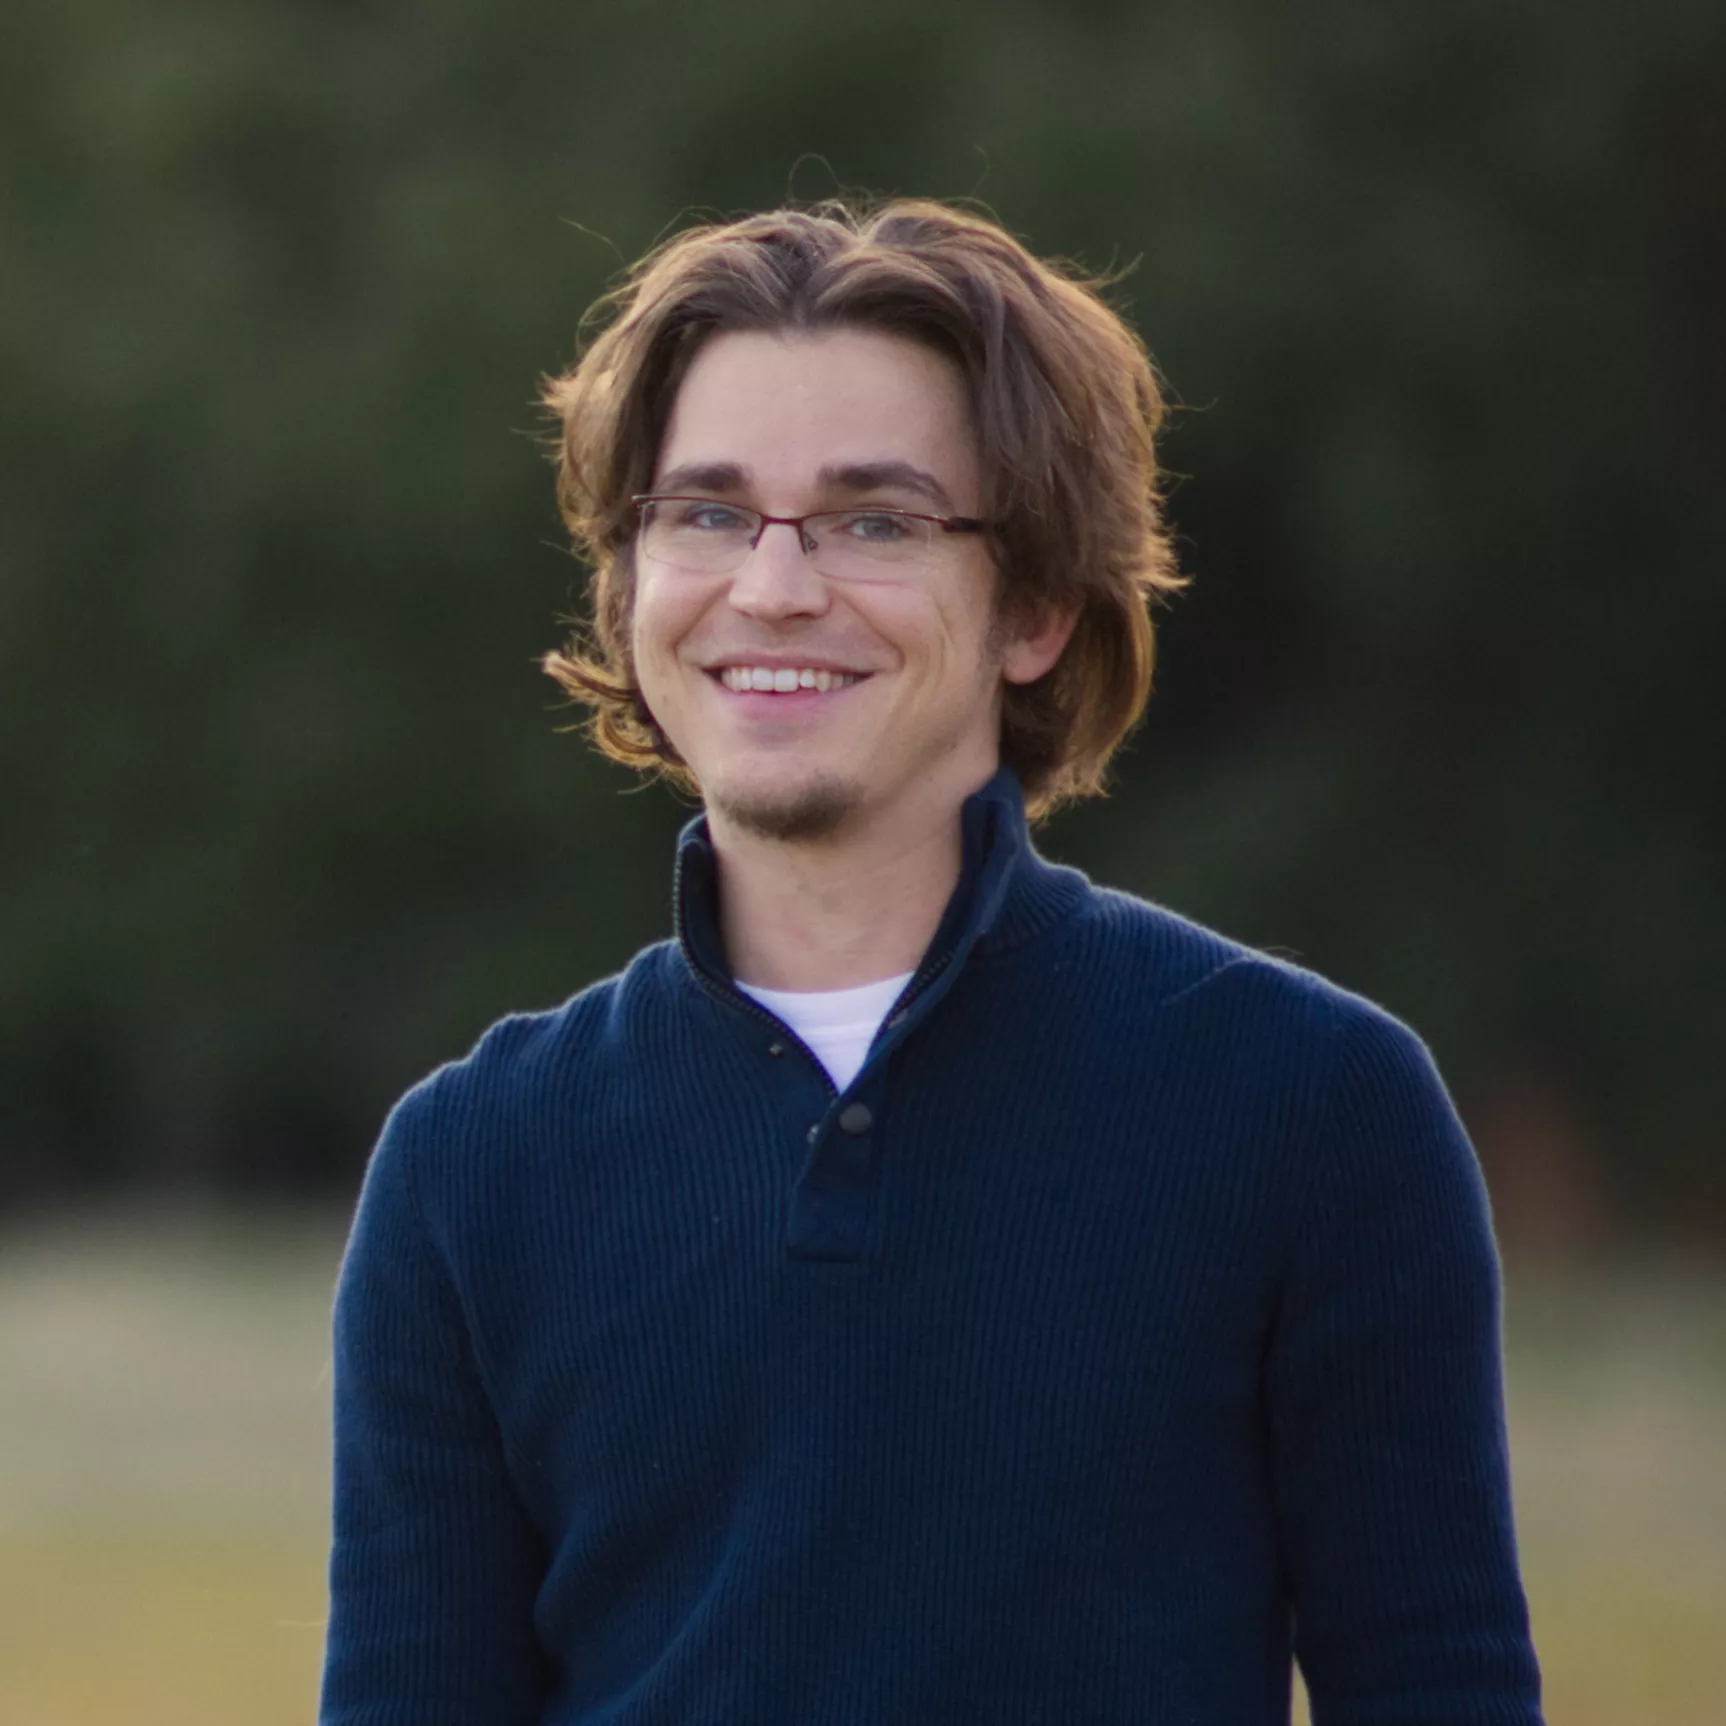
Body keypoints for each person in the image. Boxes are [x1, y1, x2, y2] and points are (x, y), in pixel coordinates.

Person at [320, 198, 1543, 1725]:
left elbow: (1439, 1689)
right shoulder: (468, 1162)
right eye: (703, 512)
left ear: (1032, 603)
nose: (770, 587)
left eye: (871, 520)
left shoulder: (1310, 1105)